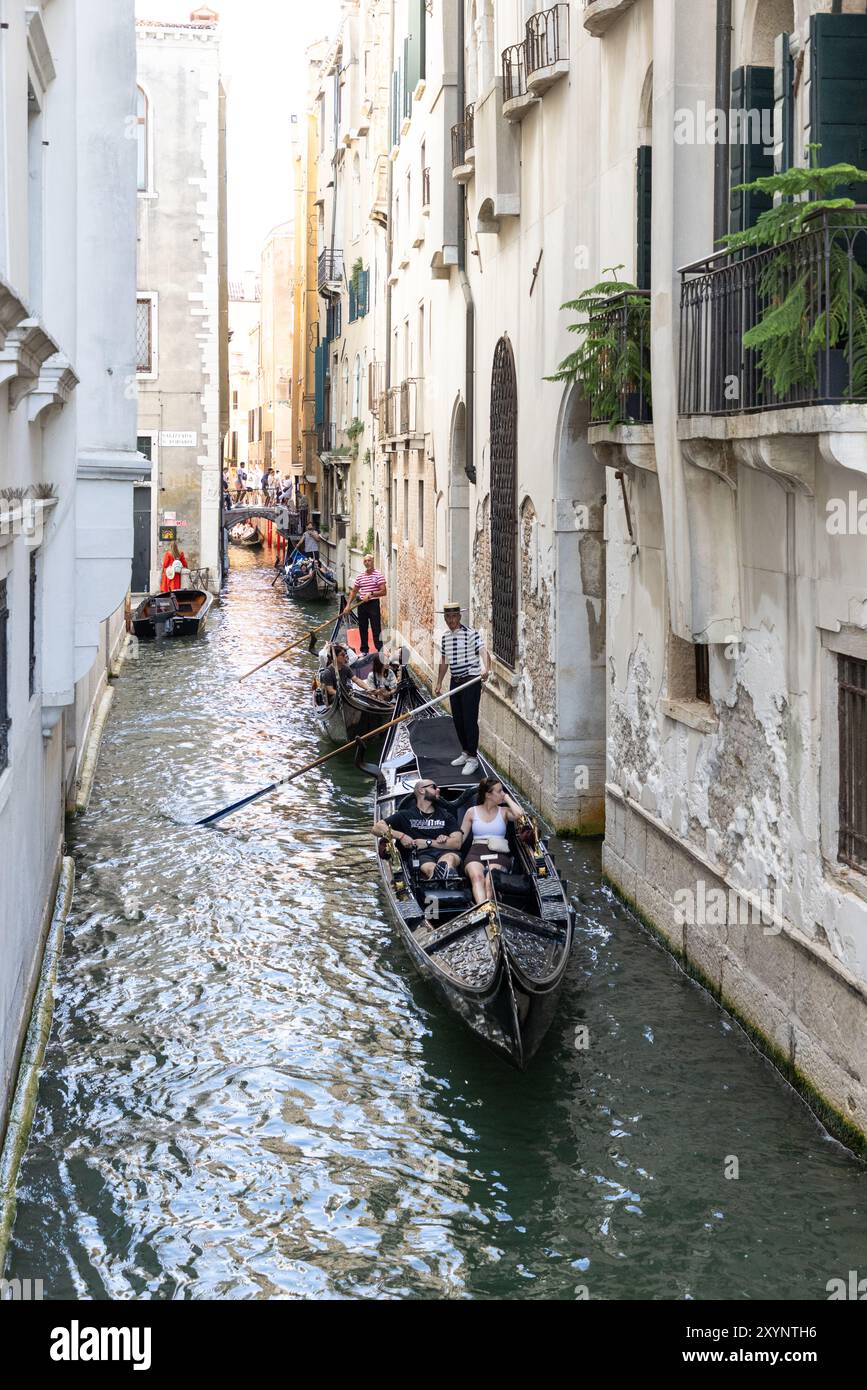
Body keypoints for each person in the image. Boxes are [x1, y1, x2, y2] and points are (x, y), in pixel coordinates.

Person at [434, 602, 490, 777]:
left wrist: (486, 669)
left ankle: (473, 757)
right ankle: (465, 752)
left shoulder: (470, 634)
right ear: (445, 619)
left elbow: (484, 653)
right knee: (457, 719)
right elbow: (444, 661)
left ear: (459, 616)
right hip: (456, 682)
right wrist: (439, 682)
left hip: (471, 681)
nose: (450, 620)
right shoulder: (445, 637)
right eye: (447, 617)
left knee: (469, 719)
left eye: (453, 617)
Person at [373, 780, 463, 882]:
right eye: (434, 787)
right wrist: (401, 836)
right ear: (421, 790)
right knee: (429, 868)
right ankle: (443, 877)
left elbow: (457, 843)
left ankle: (444, 875)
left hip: (446, 852)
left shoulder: (446, 815)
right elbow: (376, 828)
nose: (438, 789)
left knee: (448, 859)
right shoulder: (404, 815)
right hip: (421, 855)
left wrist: (427, 843)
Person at [460, 777, 524, 905]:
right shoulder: (471, 812)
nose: (503, 793)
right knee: (477, 877)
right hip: (475, 852)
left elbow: (519, 815)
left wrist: (506, 798)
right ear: (488, 795)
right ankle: (483, 909)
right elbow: (460, 838)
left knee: (491, 880)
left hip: (498, 852)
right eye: (499, 791)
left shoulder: (504, 811)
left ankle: (489, 911)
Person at [343, 554, 387, 656]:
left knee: (376, 627)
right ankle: (364, 651)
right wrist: (348, 605)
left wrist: (371, 594)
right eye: (365, 561)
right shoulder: (360, 576)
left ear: (373, 561)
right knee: (362, 627)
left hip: (373, 604)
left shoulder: (378, 575)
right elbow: (354, 591)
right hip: (361, 604)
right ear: (364, 563)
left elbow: (384, 591)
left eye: (369, 560)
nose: (367, 562)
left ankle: (380, 650)